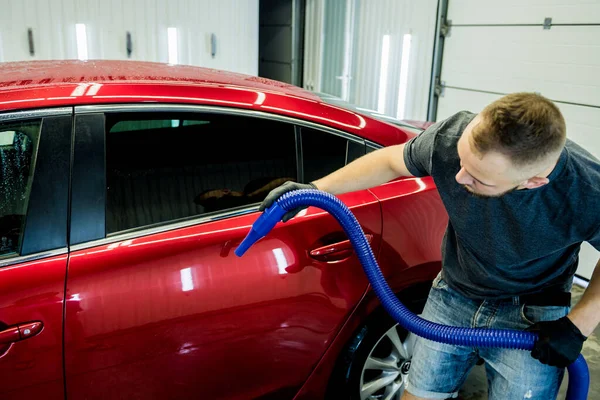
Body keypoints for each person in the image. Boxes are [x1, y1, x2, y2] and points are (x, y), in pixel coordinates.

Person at [259, 92, 600, 400]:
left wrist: (579, 324)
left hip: (533, 315)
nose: (459, 177)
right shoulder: (454, 136)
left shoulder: (585, 191)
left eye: (478, 177)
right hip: (454, 294)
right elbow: (392, 161)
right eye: (462, 161)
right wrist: (316, 188)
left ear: (533, 182)